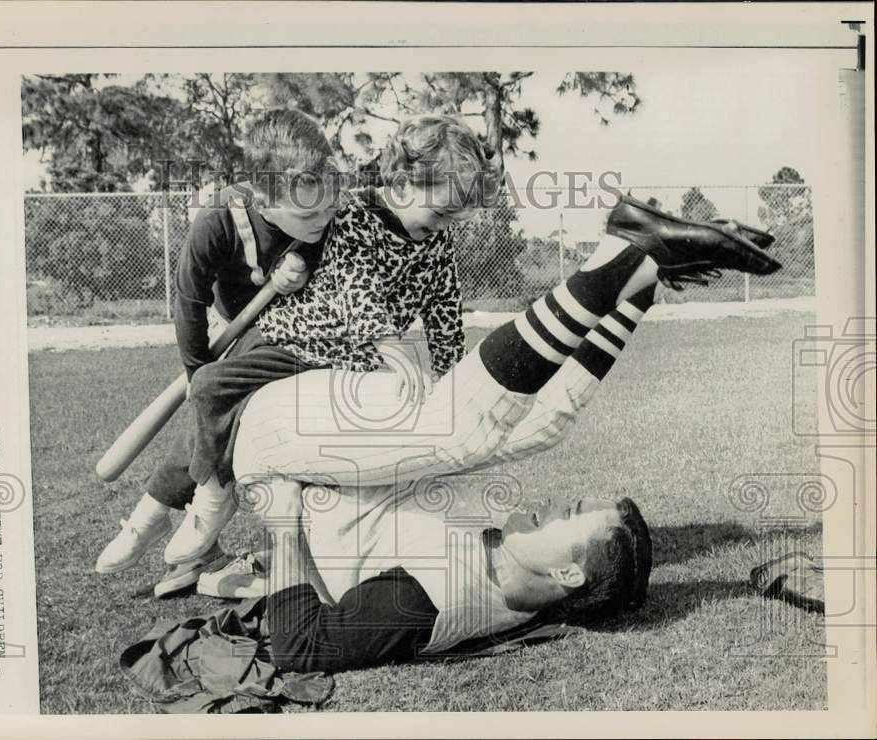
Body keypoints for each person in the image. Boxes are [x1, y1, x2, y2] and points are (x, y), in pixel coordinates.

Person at [212, 193, 781, 669]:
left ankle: (622, 252)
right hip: (341, 452)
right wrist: (640, 296)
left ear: (567, 571)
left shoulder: (438, 599)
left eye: (569, 515)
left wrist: (281, 527)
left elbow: (301, 647)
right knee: (541, 426)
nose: (555, 505)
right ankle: (642, 281)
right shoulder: (510, 559)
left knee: (459, 431)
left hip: (277, 454)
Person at [157, 114, 502, 580]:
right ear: (400, 184)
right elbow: (357, 288)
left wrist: (451, 371)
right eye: (439, 212)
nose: (443, 227)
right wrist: (391, 346)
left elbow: (445, 305)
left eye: (453, 218)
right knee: (211, 385)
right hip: (297, 340)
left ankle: (353, 546)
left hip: (353, 357)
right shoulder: (358, 213)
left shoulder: (436, 242)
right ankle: (213, 496)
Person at [94, 108, 339, 580]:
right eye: (309, 215)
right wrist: (195, 372)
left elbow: (334, 250)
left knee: (227, 398)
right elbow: (188, 301)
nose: (324, 219)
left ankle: (158, 512)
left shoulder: (323, 197)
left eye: (328, 206)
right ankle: (171, 519)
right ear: (264, 201)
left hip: (300, 333)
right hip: (236, 327)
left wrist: (304, 261)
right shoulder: (219, 218)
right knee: (212, 395)